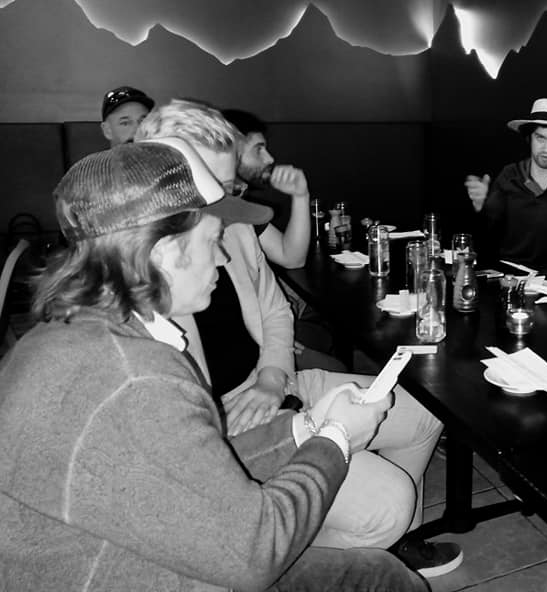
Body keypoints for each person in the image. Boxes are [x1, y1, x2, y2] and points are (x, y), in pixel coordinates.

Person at [0, 137, 426, 591]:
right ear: (163, 252)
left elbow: (190, 472)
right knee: (383, 583)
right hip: (124, 574)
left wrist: (305, 429)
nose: (222, 258)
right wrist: (336, 439)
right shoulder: (137, 378)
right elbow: (254, 553)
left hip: (139, 547)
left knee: (378, 575)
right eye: (212, 240)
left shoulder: (73, 334)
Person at [136, 101, 463, 578]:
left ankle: (393, 546)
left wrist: (272, 378)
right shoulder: (136, 291)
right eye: (217, 190)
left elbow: (275, 311)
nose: (228, 205)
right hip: (230, 424)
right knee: (387, 504)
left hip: (276, 383)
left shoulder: (234, 224)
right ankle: (288, 565)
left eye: (231, 187)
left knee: (422, 413)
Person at [464, 98, 547, 286]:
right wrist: (481, 207)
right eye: (540, 138)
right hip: (507, 279)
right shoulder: (510, 175)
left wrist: (540, 282)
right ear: (530, 138)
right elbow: (487, 237)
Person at [221, 108, 311, 269]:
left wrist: (300, 196)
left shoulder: (238, 203)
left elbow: (291, 258)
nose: (269, 159)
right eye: (258, 149)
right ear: (230, 153)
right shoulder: (208, 210)